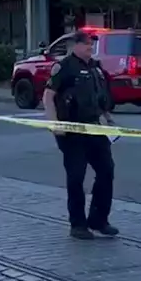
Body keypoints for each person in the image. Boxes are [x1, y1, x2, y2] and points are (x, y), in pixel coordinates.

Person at [43, 31, 118, 240]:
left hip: (95, 128)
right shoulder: (64, 67)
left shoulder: (95, 67)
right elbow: (48, 96)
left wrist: (108, 118)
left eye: (91, 45)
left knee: (106, 172)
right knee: (76, 177)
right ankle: (77, 224)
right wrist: (54, 123)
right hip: (72, 131)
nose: (90, 48)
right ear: (75, 45)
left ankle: (99, 220)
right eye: (86, 44)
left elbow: (100, 97)